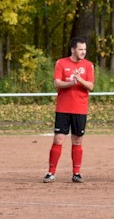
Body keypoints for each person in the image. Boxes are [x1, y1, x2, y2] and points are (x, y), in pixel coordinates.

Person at [43, 37, 95, 183]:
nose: (83, 52)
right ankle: (51, 173)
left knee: (77, 140)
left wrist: (80, 80)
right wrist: (71, 82)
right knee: (58, 138)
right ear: (73, 49)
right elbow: (57, 83)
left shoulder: (88, 65)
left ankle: (76, 173)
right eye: (80, 49)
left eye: (84, 49)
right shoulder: (61, 63)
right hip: (63, 108)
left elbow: (91, 86)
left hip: (80, 109)